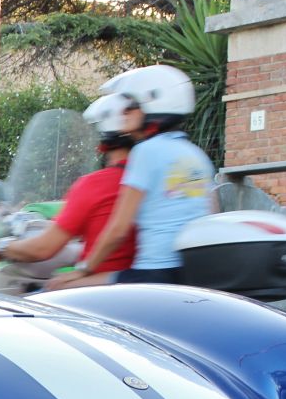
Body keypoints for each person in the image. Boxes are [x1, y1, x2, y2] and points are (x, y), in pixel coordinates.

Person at [50, 64, 212, 289]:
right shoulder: (197, 156)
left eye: (130, 106)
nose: (123, 113)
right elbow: (210, 215)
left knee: (55, 288)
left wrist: (83, 270)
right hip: (190, 273)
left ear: (154, 103)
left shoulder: (145, 152)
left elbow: (119, 229)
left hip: (152, 273)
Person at [0, 94, 137, 288]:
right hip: (137, 285)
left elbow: (43, 249)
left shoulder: (96, 184)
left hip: (99, 292)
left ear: (102, 138)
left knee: (44, 289)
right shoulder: (147, 179)